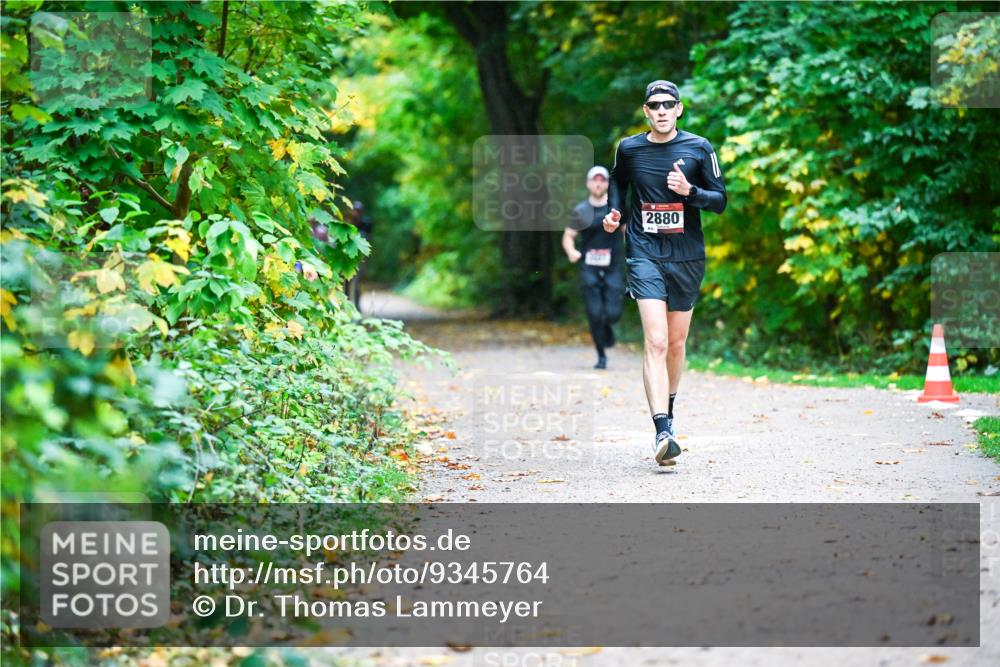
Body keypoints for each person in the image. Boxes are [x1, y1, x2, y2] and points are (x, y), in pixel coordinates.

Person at [602, 80, 727, 465]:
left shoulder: (699, 148)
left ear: (679, 109)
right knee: (655, 341)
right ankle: (661, 429)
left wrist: (690, 192)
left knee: (675, 343)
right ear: (645, 110)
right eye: (654, 104)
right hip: (644, 252)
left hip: (687, 256)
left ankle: (668, 413)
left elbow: (720, 201)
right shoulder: (629, 148)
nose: (660, 110)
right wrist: (614, 213)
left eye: (667, 104)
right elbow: (617, 183)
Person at [562, 166, 625, 369]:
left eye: (602, 180)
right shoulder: (581, 211)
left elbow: (627, 232)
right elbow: (568, 236)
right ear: (589, 183)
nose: (598, 183)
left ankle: (608, 326)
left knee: (613, 313)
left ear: (607, 184)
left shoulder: (616, 209)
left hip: (613, 265)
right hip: (589, 266)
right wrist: (571, 251)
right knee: (594, 313)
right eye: (594, 180)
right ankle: (601, 356)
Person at [345, 200, 373, 308]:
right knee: (347, 282)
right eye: (355, 210)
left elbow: (367, 239)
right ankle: (346, 306)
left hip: (360, 257)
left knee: (357, 284)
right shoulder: (348, 223)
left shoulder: (366, 223)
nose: (356, 213)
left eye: (358, 211)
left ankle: (356, 307)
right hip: (348, 257)